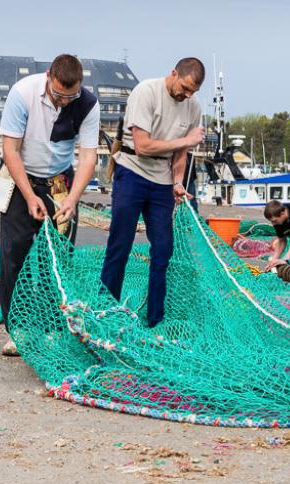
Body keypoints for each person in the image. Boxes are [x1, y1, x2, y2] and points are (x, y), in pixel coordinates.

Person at [0, 54, 101, 356]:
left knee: (57, 259)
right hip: (22, 180)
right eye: (59, 95)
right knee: (14, 254)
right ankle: (16, 329)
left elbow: (89, 156)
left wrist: (72, 199)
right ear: (48, 77)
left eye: (72, 96)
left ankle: (50, 327)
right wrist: (29, 196)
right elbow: (10, 149)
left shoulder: (88, 104)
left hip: (60, 183)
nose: (65, 101)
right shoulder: (22, 93)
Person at [100, 58, 205, 328]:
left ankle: (155, 319)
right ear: (173, 74)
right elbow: (143, 145)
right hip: (132, 172)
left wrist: (178, 182)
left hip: (162, 181)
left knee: (163, 250)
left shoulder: (193, 107)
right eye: (185, 87)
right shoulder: (146, 92)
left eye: (193, 91)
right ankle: (104, 310)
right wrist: (186, 140)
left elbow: (181, 154)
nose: (187, 95)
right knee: (120, 245)